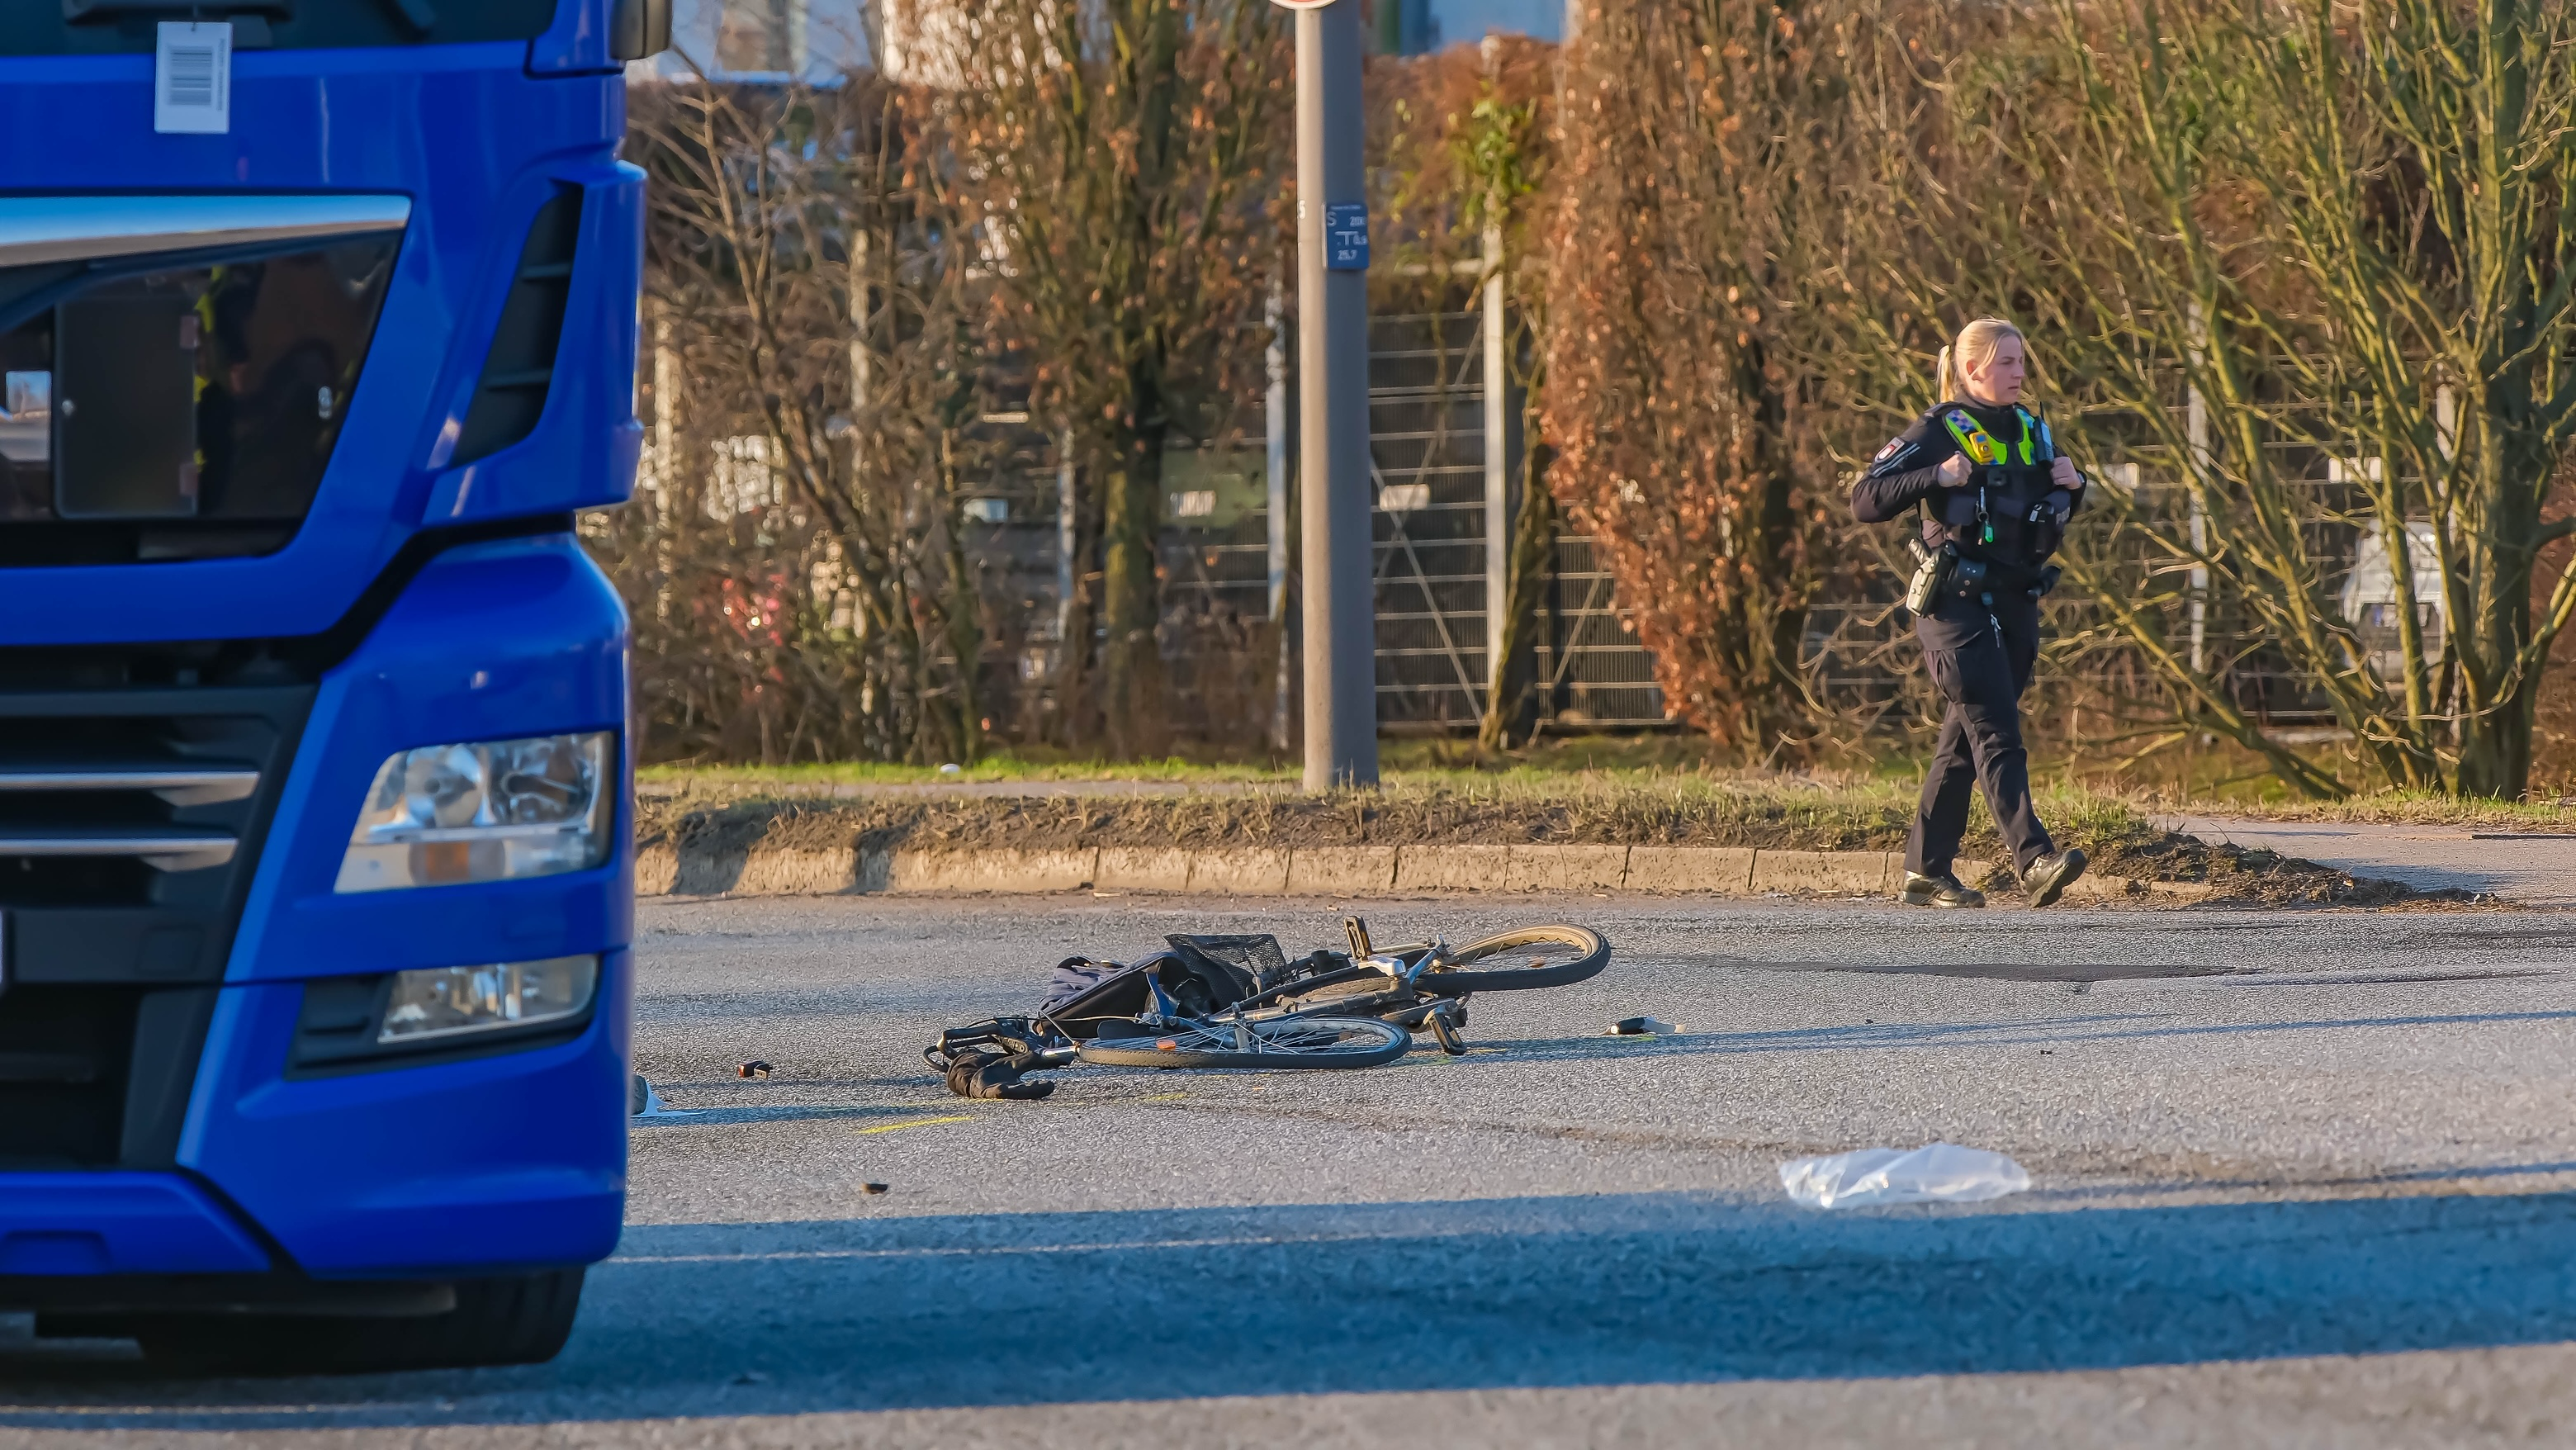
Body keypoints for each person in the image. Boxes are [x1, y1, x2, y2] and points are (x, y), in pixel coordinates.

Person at [1852, 318, 2090, 908]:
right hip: (1954, 606)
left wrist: (2075, 484)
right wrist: (1935, 475)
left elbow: (2047, 504)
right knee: (1996, 731)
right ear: (1972, 369)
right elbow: (1865, 497)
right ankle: (2034, 861)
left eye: (2021, 360)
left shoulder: (2033, 430)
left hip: (2016, 601)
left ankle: (1925, 871)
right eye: (2007, 361)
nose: (2019, 372)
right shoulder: (1939, 430)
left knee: (1967, 740)